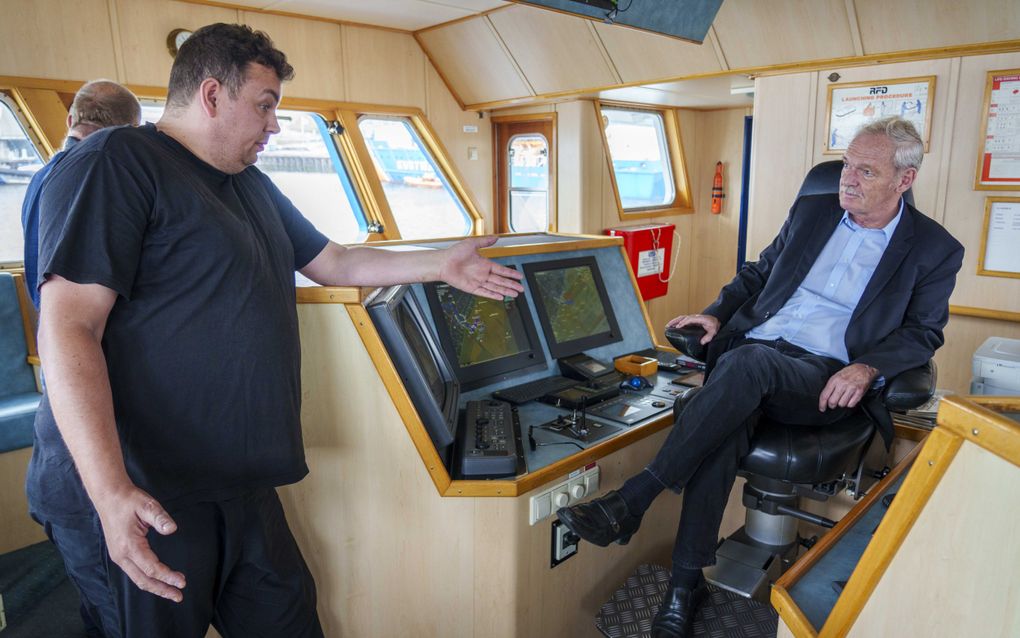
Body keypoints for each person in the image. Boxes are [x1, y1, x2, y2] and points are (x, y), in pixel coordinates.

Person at [27, 23, 523, 638]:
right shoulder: (118, 164)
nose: (274, 125)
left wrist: (440, 265)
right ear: (211, 95)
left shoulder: (249, 184)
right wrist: (109, 493)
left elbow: (335, 262)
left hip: (241, 483)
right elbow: (68, 327)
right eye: (265, 106)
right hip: (148, 490)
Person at [557, 117, 963, 638]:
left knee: (743, 367)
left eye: (866, 170)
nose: (847, 179)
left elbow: (924, 332)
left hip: (823, 377)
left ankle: (634, 499)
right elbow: (759, 272)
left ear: (903, 181)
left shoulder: (934, 247)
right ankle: (684, 586)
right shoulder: (814, 211)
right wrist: (717, 313)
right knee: (727, 419)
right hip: (754, 355)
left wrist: (868, 367)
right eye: (846, 165)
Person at [21, 80, 141, 308]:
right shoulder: (105, 179)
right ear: (129, 132)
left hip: (50, 326)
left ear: (70, 120)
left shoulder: (39, 178)